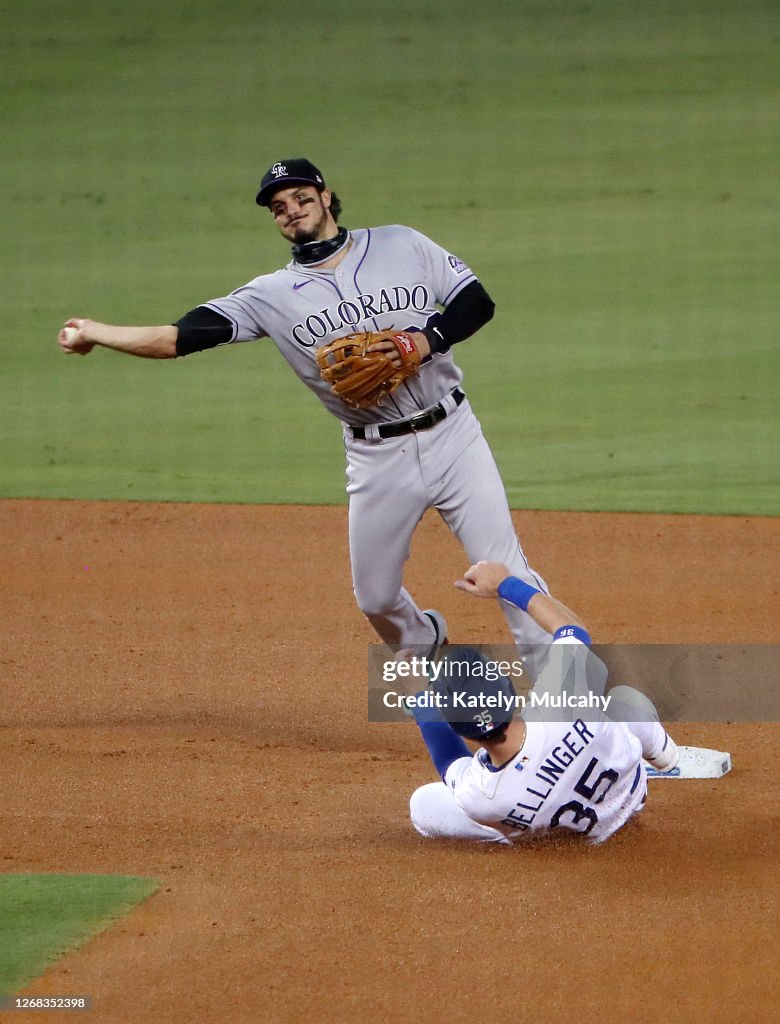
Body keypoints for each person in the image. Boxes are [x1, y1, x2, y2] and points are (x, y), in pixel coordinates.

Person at [57, 158, 551, 665]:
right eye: (279, 207)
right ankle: (429, 649)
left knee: (506, 568)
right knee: (376, 599)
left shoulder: (402, 243)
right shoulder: (268, 296)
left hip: (454, 435)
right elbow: (173, 339)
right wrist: (96, 331)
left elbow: (476, 301)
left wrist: (424, 342)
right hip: (377, 456)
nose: (291, 211)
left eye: (301, 198)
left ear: (326, 197)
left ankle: (570, 703)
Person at [406, 560, 679, 845]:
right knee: (621, 699)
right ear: (507, 690)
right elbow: (571, 629)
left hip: (576, 837)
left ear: (457, 728)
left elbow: (450, 760)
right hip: (629, 799)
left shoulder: (477, 794)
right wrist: (505, 585)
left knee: (424, 803)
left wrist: (418, 695)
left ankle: (512, 837)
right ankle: (665, 754)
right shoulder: (562, 699)